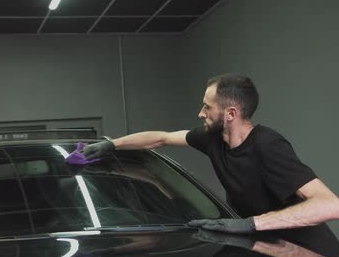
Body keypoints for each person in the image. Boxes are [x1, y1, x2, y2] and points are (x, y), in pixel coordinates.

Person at [83, 74, 339, 233]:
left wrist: (251, 223)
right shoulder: (212, 138)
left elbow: (331, 205)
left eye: (207, 107)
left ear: (230, 114)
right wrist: (113, 144)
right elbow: (162, 138)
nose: (200, 113)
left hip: (307, 255)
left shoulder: (268, 144)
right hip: (265, 248)